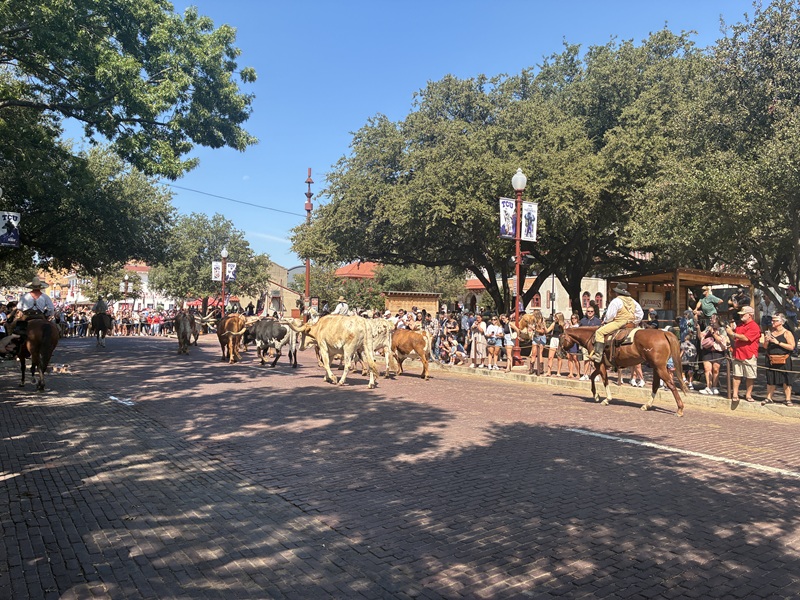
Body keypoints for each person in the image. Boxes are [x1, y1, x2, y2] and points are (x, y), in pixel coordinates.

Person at [592, 283, 644, 365]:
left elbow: (610, 316)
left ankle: (598, 355)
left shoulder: (616, 301)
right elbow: (640, 314)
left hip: (619, 322)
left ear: (617, 292)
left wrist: (605, 321)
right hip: (631, 324)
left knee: (599, 332)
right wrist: (634, 322)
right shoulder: (633, 301)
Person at [726, 305, 761, 402]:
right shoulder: (740, 325)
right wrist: (731, 331)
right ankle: (735, 394)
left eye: (743, 314)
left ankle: (748, 395)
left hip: (749, 354)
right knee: (737, 375)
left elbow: (745, 338)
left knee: (750, 376)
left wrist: (732, 333)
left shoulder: (754, 326)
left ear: (750, 315)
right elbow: (735, 338)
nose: (741, 316)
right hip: (738, 353)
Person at [761, 313, 795, 406]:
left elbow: (792, 346)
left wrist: (778, 342)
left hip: (784, 359)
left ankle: (788, 399)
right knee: (770, 379)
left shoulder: (787, 333)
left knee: (786, 379)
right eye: (772, 320)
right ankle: (769, 397)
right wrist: (767, 341)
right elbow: (764, 347)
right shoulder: (770, 332)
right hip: (771, 359)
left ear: (781, 322)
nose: (772, 322)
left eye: (775, 320)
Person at [697, 314, 728, 395]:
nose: (710, 320)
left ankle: (714, 386)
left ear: (717, 320)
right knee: (707, 369)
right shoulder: (707, 328)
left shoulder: (722, 329)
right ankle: (708, 387)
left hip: (717, 351)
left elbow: (720, 340)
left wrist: (713, 332)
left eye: (712, 318)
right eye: (710, 318)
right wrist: (698, 329)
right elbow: (700, 336)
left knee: (715, 369)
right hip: (707, 350)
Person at [578, 306, 602, 380]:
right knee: (586, 359)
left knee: (595, 359)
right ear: (586, 312)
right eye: (588, 311)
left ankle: (596, 375)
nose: (590, 313)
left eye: (591, 311)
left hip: (594, 343)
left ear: (594, 312)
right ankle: (585, 374)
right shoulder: (583, 321)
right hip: (585, 344)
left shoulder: (598, 321)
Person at [544, 312, 565, 376]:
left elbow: (565, 333)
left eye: (556, 317)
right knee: (550, 357)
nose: (555, 318)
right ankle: (548, 371)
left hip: (560, 339)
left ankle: (558, 372)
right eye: (555, 317)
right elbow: (547, 331)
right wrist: (544, 325)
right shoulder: (554, 323)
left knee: (559, 357)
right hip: (554, 339)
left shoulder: (563, 324)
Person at [527, 309, 547, 375]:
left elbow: (542, 331)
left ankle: (540, 369)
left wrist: (534, 329)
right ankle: (531, 368)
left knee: (540, 353)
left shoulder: (541, 321)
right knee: (533, 353)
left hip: (541, 337)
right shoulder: (534, 321)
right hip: (535, 337)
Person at [565, 313, 581, 379]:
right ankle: (571, 373)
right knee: (569, 358)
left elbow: (574, 332)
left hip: (574, 343)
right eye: (572, 318)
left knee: (575, 358)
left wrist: (570, 326)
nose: (573, 319)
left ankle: (578, 373)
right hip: (569, 343)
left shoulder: (577, 326)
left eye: (575, 318)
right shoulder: (570, 326)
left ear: (577, 319)